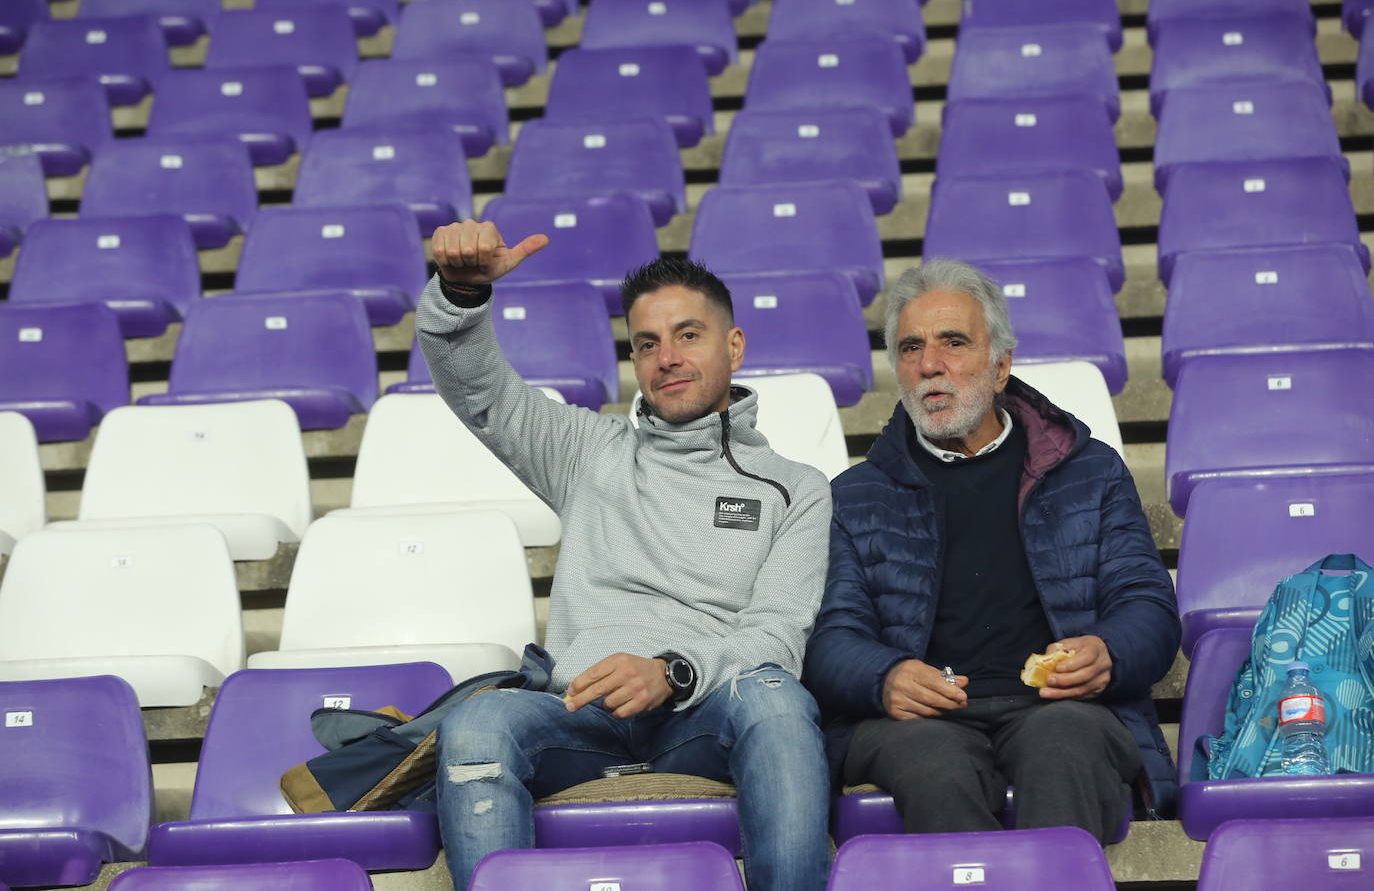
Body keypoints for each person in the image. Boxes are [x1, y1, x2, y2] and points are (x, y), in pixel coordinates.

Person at [418, 220, 833, 890]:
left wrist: (673, 670)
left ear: (734, 345)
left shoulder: (797, 488)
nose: (666, 357)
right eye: (647, 343)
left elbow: (780, 631)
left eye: (688, 335)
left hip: (706, 716)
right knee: (477, 725)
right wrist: (461, 294)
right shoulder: (587, 452)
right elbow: (480, 393)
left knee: (778, 700)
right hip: (576, 714)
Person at [803, 260, 1180, 843]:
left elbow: (1149, 607)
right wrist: (884, 676)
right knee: (933, 763)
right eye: (910, 348)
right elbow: (829, 638)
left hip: (1063, 708)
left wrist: (1108, 651)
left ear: (1001, 367)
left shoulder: (1090, 472)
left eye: (953, 342)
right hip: (919, 722)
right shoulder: (856, 498)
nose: (930, 364)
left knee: (1064, 743)